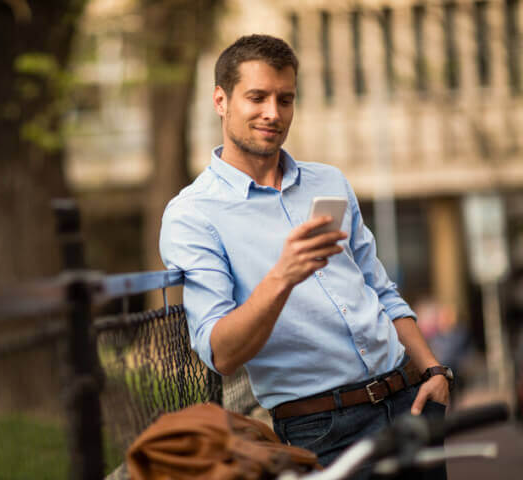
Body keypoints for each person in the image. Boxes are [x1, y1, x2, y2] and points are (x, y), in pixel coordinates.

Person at [159, 34, 452, 477]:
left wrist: (434, 370)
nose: (273, 113)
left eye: (285, 99)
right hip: (323, 429)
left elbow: (381, 291)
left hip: (410, 400)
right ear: (221, 100)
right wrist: (283, 275)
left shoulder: (329, 182)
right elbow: (220, 353)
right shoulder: (192, 215)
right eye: (256, 97)